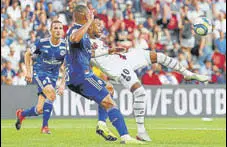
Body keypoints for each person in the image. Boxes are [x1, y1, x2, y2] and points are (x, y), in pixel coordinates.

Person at [88, 18, 209, 141]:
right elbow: (85, 56)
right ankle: (141, 131)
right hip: (117, 68)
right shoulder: (83, 41)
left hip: (125, 57)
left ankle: (187, 73)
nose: (101, 27)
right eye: (97, 25)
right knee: (140, 92)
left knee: (159, 56)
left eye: (101, 25)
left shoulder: (96, 39)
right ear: (88, 26)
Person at [64, 5, 143, 144]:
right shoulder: (76, 30)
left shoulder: (82, 33)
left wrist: (109, 51)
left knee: (109, 89)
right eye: (89, 14)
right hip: (82, 76)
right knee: (109, 102)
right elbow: (75, 38)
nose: (91, 16)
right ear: (83, 15)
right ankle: (125, 137)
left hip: (78, 76)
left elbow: (89, 53)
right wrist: (89, 22)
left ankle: (101, 124)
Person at [15, 20, 66, 134]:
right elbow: (27, 54)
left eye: (60, 28)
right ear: (50, 31)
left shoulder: (65, 46)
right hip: (40, 73)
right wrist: (28, 72)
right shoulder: (41, 43)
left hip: (53, 77)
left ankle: (22, 114)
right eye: (55, 28)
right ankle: (45, 127)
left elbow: (67, 66)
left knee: (40, 109)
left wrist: (63, 84)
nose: (58, 30)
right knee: (52, 95)